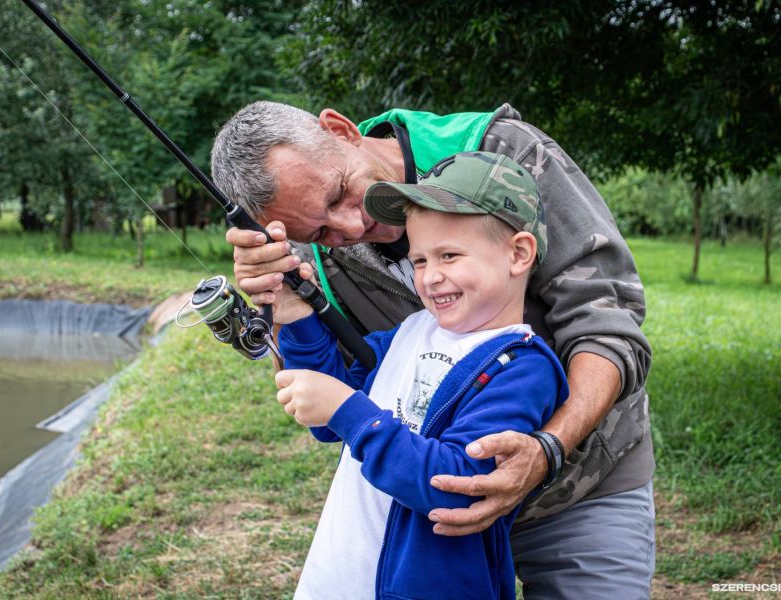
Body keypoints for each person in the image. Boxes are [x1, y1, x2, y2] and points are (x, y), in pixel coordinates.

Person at [211, 101, 655, 598]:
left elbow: (605, 321)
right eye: (320, 232)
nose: (350, 230)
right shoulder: (313, 259)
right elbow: (328, 392)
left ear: (341, 130)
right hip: (431, 530)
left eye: (341, 192)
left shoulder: (502, 153)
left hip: (581, 485)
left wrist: (546, 450)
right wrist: (283, 303)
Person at [273, 151, 568, 599]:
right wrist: (296, 316)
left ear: (518, 253)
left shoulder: (522, 368)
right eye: (421, 261)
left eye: (449, 255)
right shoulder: (411, 331)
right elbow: (328, 411)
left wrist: (348, 410)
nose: (429, 278)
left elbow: (459, 486)